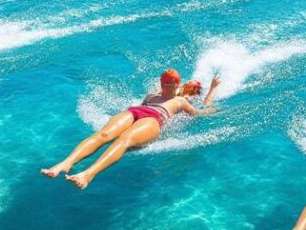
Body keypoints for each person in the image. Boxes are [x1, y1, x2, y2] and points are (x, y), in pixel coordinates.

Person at [41, 68, 220, 190]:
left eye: (170, 84)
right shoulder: (153, 94)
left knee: (124, 140)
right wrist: (184, 85)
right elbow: (168, 84)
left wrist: (212, 89)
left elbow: (200, 112)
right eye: (164, 83)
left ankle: (88, 175)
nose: (166, 86)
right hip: (135, 111)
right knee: (104, 134)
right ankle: (66, 163)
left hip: (154, 118)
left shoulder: (181, 101)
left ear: (176, 86)